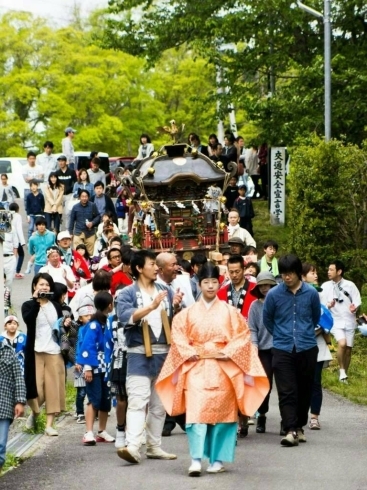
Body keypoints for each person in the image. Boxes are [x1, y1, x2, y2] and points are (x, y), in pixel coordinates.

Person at [156, 262, 269, 476]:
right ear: (198, 285)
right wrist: (191, 352)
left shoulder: (231, 312)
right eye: (205, 282)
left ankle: (217, 459)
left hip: (223, 368)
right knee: (196, 414)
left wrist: (226, 352)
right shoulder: (187, 314)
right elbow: (178, 337)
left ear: (219, 284)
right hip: (196, 366)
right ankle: (196, 459)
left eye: (214, 282)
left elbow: (242, 337)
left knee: (223, 416)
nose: (210, 286)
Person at [115, 250, 183, 464]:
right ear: (138, 268)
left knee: (159, 404)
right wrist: (151, 306)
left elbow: (172, 321)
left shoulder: (166, 290)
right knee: (137, 400)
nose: (156, 268)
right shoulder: (126, 293)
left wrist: (177, 306)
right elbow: (126, 318)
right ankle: (133, 445)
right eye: (152, 264)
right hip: (138, 353)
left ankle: (154, 446)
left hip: (163, 352)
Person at [263, 255, 320, 447]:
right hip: (282, 347)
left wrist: (303, 332)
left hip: (307, 346)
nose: (287, 278)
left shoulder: (311, 293)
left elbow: (315, 316)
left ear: (298, 273)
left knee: (304, 390)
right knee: (287, 390)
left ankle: (300, 426)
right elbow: (268, 320)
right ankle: (290, 429)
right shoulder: (273, 295)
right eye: (283, 274)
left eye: (290, 274)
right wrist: (281, 334)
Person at [22, 273, 65, 436]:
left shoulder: (56, 305)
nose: (44, 287)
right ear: (34, 286)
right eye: (41, 284)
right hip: (35, 351)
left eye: (47, 284)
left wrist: (67, 323)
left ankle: (49, 425)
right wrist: (36, 301)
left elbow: (63, 326)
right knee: (36, 389)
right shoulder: (28, 305)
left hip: (54, 351)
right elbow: (28, 319)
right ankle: (34, 412)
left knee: (52, 389)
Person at [76, 291, 115, 446]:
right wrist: (87, 368)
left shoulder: (107, 322)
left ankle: (102, 430)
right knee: (94, 398)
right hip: (94, 365)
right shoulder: (94, 324)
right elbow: (88, 346)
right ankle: (88, 431)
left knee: (106, 399)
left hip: (106, 365)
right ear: (109, 305)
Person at [302, 263, 333, 430]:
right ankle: (298, 415)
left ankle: (314, 416)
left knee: (315, 381)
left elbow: (327, 319)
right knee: (300, 382)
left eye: (316, 272)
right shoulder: (297, 295)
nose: (315, 275)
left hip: (318, 343)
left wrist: (320, 329)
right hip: (299, 344)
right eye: (312, 272)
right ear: (303, 276)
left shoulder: (320, 295)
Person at [320, 260, 361, 383]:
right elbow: (321, 305)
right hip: (335, 320)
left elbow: (357, 300)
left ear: (339, 271)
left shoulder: (350, 285)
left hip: (349, 320)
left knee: (348, 349)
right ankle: (342, 371)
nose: (328, 272)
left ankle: (344, 375)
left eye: (331, 270)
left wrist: (355, 307)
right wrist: (329, 305)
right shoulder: (325, 286)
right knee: (342, 343)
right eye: (328, 269)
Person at [248, 272, 277, 433]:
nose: (265, 288)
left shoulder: (280, 303)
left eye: (268, 285)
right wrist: (254, 345)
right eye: (262, 285)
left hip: (281, 348)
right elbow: (252, 328)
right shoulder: (255, 306)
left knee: (285, 386)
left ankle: (287, 422)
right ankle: (262, 414)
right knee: (265, 385)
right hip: (263, 350)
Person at [0, 337, 26, 474]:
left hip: (3, 406)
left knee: (0, 446)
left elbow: (19, 378)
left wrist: (20, 401)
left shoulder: (8, 352)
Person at [109, 287, 128, 448]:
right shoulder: (112, 319)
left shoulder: (137, 314)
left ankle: (135, 431)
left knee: (138, 399)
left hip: (137, 357)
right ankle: (121, 430)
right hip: (119, 360)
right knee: (121, 399)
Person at [74, 300, 96, 424]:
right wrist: (78, 361)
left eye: (91, 315)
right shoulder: (81, 330)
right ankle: (80, 412)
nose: (89, 318)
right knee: (81, 391)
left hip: (92, 362)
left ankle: (93, 411)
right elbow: (79, 346)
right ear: (81, 318)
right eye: (86, 316)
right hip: (81, 363)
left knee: (92, 389)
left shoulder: (95, 328)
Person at [57, 231, 92, 299]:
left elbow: (87, 275)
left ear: (70, 241)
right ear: (58, 242)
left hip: (74, 288)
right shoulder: (55, 255)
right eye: (63, 240)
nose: (65, 241)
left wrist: (78, 270)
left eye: (67, 239)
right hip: (59, 286)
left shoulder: (77, 255)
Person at [69, 190, 100, 257]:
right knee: (78, 253)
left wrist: (92, 223)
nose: (84, 198)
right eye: (82, 196)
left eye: (86, 196)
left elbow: (98, 216)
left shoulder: (92, 205)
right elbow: (71, 220)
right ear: (79, 197)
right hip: (78, 232)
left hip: (90, 232)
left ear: (88, 197)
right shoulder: (75, 207)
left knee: (89, 254)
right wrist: (71, 232)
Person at [55, 154, 77, 231]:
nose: (61, 163)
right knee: (58, 213)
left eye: (62, 161)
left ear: (66, 162)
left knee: (68, 213)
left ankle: (68, 230)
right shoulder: (57, 173)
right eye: (59, 161)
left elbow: (75, 182)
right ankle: (58, 230)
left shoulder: (71, 172)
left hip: (69, 195)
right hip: (60, 195)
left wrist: (74, 192)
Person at [9, 202, 26, 279]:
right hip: (16, 238)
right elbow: (19, 229)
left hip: (8, 238)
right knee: (21, 254)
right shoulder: (18, 216)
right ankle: (17, 271)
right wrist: (22, 241)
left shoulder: (7, 215)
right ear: (18, 209)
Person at [2, 216, 18, 292]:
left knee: (9, 281)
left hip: (9, 258)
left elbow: (15, 244)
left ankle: (7, 301)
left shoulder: (12, 228)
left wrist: (14, 258)